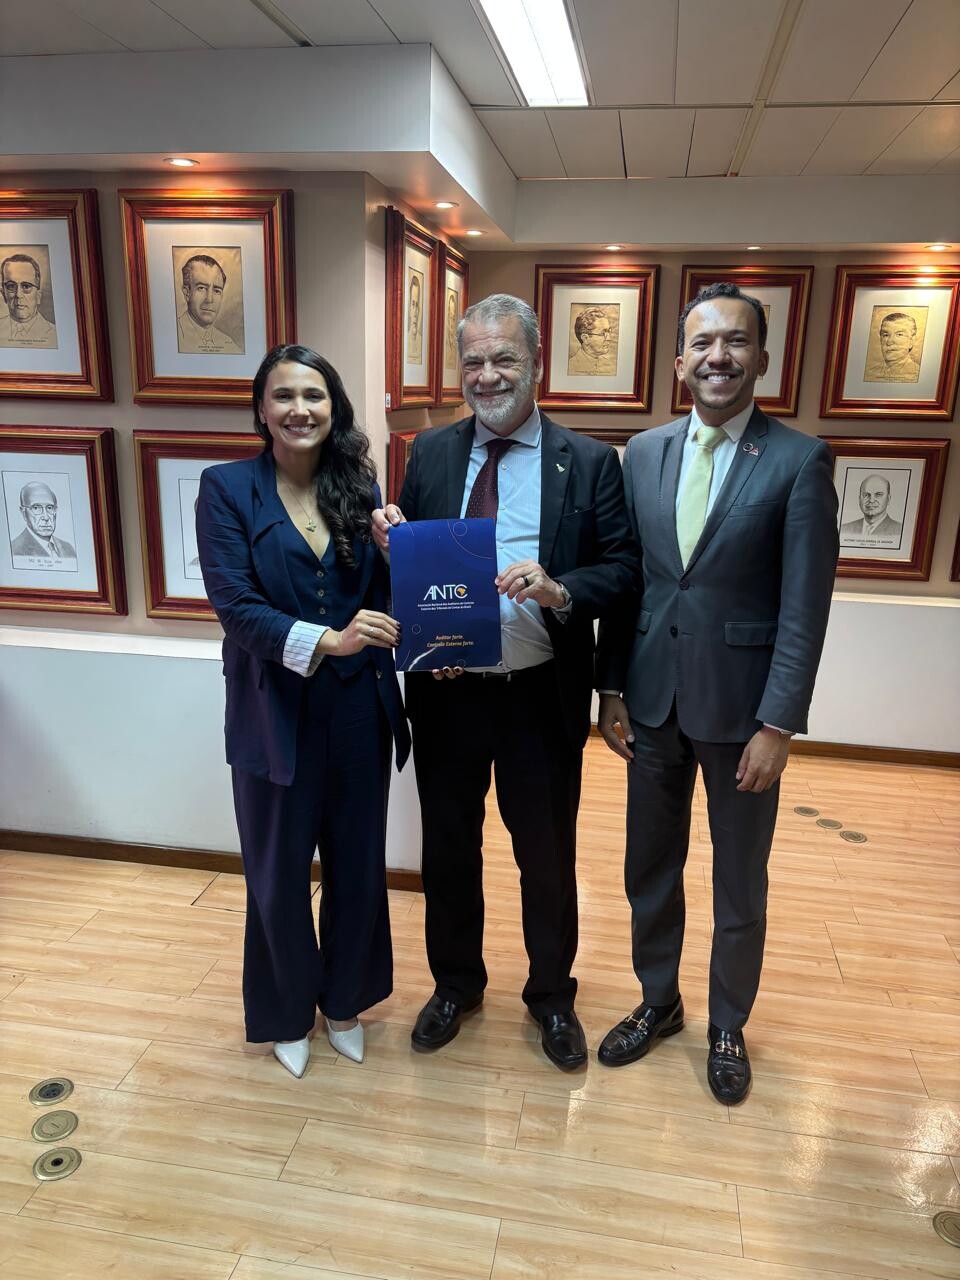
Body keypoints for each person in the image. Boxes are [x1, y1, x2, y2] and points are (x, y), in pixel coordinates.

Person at [373, 293, 639, 1070]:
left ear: (537, 363)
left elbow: (624, 571)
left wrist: (561, 590)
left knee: (546, 856)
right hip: (447, 694)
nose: (487, 375)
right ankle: (455, 984)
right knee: (449, 849)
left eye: (504, 359)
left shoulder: (589, 462)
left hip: (538, 696)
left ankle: (552, 995)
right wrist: (392, 541)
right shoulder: (429, 453)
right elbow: (415, 567)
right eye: (474, 361)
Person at [596, 282, 838, 1104]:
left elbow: (804, 609)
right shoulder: (644, 452)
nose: (718, 357)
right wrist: (610, 687)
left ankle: (728, 1022)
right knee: (649, 868)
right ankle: (658, 1002)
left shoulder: (799, 461)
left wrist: (780, 724)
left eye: (735, 341)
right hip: (651, 704)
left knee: (738, 880)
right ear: (679, 363)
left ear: (762, 358)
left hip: (743, 714)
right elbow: (630, 583)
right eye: (702, 344)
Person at [196, 343, 410, 1078]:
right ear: (262, 410)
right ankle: (287, 1011)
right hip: (272, 712)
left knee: (357, 863)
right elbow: (235, 606)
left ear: (333, 407)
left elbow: (383, 602)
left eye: (314, 396)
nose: (299, 410)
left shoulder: (360, 486)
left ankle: (346, 1001)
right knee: (278, 870)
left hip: (358, 711)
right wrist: (330, 640)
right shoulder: (227, 489)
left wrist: (396, 553)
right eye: (284, 396)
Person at [177, 254, 242, 355]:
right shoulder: (173, 336)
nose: (209, 299)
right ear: (187, 293)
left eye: (216, 291)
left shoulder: (229, 344)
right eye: (201, 288)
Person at [0, 253, 57, 346]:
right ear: (3, 294)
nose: (18, 295)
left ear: (38, 295)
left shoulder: (54, 334)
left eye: (26, 286)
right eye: (11, 286)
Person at [10, 481, 76, 560]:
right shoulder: (14, 551)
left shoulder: (68, 549)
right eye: (36, 508)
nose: (46, 517)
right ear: (23, 513)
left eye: (49, 508)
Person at [839, 473, 903, 540]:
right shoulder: (844, 528)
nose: (871, 500)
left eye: (878, 495)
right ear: (859, 498)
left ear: (888, 499)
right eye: (866, 495)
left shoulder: (899, 530)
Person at [864, 311, 921, 382]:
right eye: (886, 335)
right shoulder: (870, 374)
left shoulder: (919, 375)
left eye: (899, 334)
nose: (889, 341)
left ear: (912, 340)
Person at [568, 306, 615, 375]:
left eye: (609, 331)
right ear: (585, 338)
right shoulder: (571, 367)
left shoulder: (609, 364)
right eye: (602, 334)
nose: (609, 338)